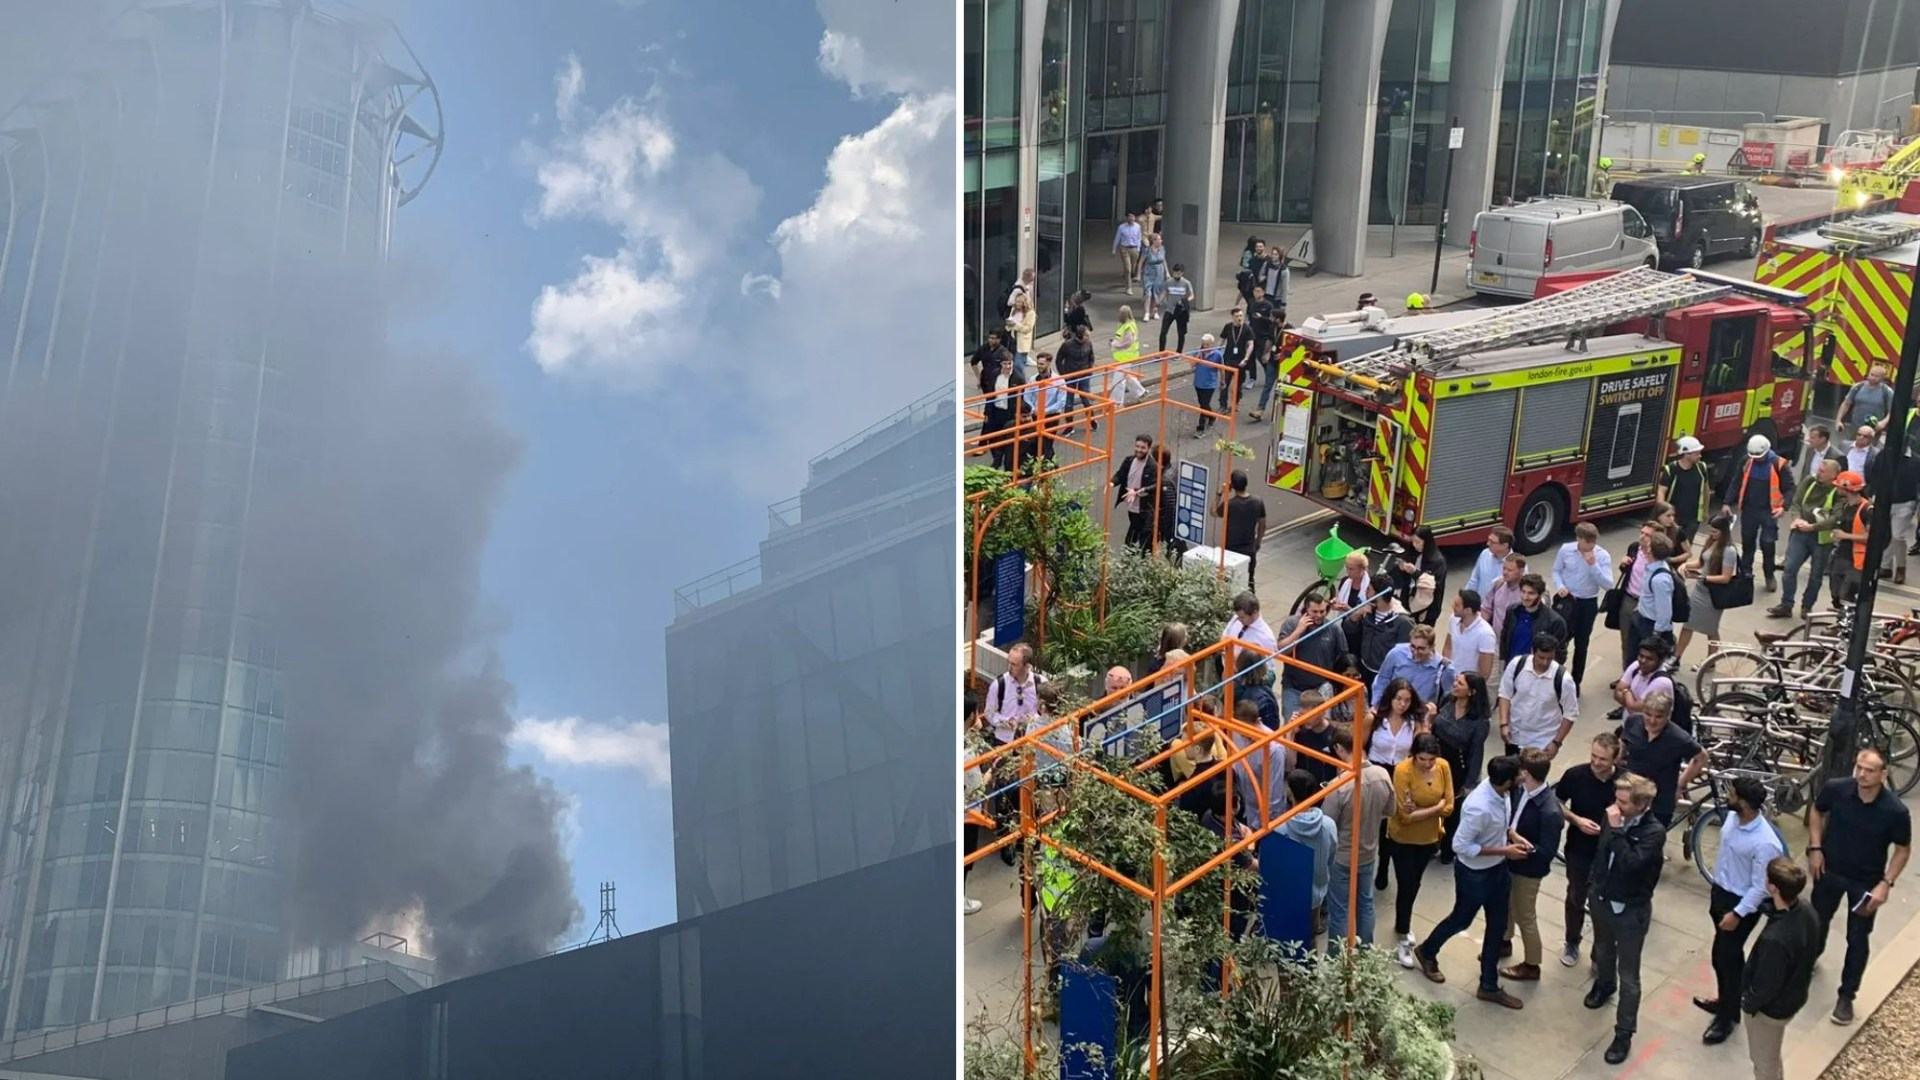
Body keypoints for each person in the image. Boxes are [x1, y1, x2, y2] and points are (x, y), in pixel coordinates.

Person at [1409, 754, 1528, 1010]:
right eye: (1518, 775)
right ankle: (1427, 951)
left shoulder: (1503, 794)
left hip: (1497, 870)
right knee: (1461, 919)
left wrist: (1511, 837)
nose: (1522, 778)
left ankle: (1489, 985)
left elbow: (1501, 826)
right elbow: (1461, 845)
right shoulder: (1479, 807)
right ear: (1506, 782)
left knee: (1497, 925)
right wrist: (1504, 851)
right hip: (1475, 875)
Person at [1808, 746, 1913, 1025]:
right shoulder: (1837, 789)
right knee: (1817, 920)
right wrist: (1815, 847)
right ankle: (1809, 961)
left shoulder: (1895, 811)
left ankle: (1847, 996)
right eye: (1859, 768)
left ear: (1883, 773)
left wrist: (1886, 883)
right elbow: (1817, 812)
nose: (1862, 775)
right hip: (1829, 870)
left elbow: (1903, 849)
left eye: (1870, 770)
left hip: (1865, 881)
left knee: (1857, 938)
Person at [1695, 775, 1786, 1045]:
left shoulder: (1765, 842)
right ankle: (1728, 999)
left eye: (1732, 794)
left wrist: (1737, 914)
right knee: (1728, 956)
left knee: (1724, 956)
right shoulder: (1734, 818)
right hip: (1722, 891)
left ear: (1744, 804)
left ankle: (1728, 1016)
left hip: (1740, 903)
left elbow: (1760, 887)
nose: (1727, 796)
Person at [1585, 772, 1667, 1065]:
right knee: (1603, 949)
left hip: (1631, 909)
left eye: (1622, 802)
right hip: (1602, 898)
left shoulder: (1654, 832)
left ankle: (1624, 1033)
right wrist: (1594, 887)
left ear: (1641, 804)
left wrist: (1619, 831)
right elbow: (1602, 852)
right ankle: (1604, 985)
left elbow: (1632, 863)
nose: (1615, 807)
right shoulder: (1613, 816)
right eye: (1616, 799)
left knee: (1629, 975)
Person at [1743, 858, 1820, 1080]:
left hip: (1770, 1012)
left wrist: (1748, 1002)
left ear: (1773, 887)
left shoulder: (1775, 940)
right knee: (1772, 1056)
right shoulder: (1805, 911)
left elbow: (1766, 985)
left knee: (1763, 1061)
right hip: (1794, 996)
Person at [1555, 732, 1625, 968]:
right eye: (1594, 756)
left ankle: (1599, 953)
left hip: (1611, 854)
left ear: (1615, 759)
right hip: (1579, 850)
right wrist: (1576, 820)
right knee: (1576, 897)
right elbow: (1556, 801)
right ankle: (1572, 941)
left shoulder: (1625, 783)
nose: (1596, 762)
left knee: (1603, 906)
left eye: (1603, 759)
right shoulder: (1576, 775)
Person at [1323, 723, 1394, 952]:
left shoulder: (1339, 786)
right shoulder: (1382, 775)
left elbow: (1327, 824)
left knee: (1340, 910)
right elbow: (1391, 810)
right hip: (1369, 851)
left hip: (1342, 855)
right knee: (1365, 903)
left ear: (1339, 749)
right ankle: (1365, 953)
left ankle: (1337, 957)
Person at [1386, 733, 1455, 969]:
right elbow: (1404, 817)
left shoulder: (1443, 767)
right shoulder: (1403, 771)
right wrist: (1435, 807)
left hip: (1429, 838)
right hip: (1403, 839)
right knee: (1406, 884)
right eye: (1423, 759)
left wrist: (1425, 810)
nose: (1427, 764)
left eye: (1431, 759)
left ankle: (1402, 922)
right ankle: (1403, 931)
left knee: (1415, 883)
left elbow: (1449, 806)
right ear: (1414, 755)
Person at [1499, 748, 1565, 982]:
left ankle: (1532, 963)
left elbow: (1546, 852)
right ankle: (1504, 941)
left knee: (1524, 915)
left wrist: (1519, 843)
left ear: (1525, 773)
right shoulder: (1520, 791)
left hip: (1528, 870)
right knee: (1506, 905)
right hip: (1510, 861)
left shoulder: (1549, 811)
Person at [1617, 690, 1706, 828]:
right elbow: (1623, 741)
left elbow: (1701, 757)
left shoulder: (1679, 738)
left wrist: (1681, 783)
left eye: (1659, 717)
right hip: (1630, 796)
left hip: (1660, 801)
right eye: (1648, 714)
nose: (1652, 721)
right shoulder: (1633, 722)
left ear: (1668, 716)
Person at [1770, 456, 1843, 619]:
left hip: (1821, 539)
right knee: (1789, 569)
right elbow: (1796, 502)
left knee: (1816, 575)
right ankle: (1786, 604)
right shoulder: (1809, 481)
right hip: (1800, 533)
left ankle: (1807, 606)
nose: (1819, 473)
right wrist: (1796, 518)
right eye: (1819, 470)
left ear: (1834, 475)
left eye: (1823, 472)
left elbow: (1836, 518)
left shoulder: (1838, 491)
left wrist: (1813, 527)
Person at [1431, 672, 1491, 864]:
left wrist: (1469, 783)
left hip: (1457, 766)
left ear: (1472, 692)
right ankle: (1431, 843)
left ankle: (1448, 848)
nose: (1454, 684)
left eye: (1460, 683)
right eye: (1456, 681)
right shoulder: (1448, 699)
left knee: (1452, 810)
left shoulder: (1479, 722)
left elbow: (1476, 752)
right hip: (1435, 759)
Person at [1721, 433, 1790, 590]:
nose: (1756, 459)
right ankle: (1746, 575)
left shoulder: (1779, 464)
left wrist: (1783, 507)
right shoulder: (1746, 461)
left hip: (1769, 511)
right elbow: (1736, 481)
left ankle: (1769, 575)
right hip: (1750, 509)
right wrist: (1727, 502)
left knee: (1768, 544)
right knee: (1748, 543)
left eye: (1759, 456)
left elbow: (1789, 488)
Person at [1280, 769, 1338, 941]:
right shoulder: (1328, 825)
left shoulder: (1281, 829)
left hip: (1290, 895)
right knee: (1309, 938)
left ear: (1290, 792)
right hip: (1316, 894)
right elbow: (1331, 857)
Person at [1498, 633, 1578, 757]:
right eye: (1541, 657)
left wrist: (1556, 743)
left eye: (1549, 659)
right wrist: (1503, 724)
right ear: (1532, 652)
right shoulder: (1517, 664)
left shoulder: (1563, 679)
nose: (1545, 662)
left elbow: (1570, 714)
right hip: (1515, 735)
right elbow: (1505, 694)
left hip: (1542, 741)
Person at [1675, 512, 1740, 664]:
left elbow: (1725, 577)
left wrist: (1702, 577)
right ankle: (1677, 656)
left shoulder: (1729, 551)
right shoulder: (1711, 542)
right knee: (1688, 623)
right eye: (1710, 530)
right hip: (1700, 591)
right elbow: (1701, 562)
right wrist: (1685, 565)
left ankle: (1711, 659)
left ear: (1724, 532)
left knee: (1711, 629)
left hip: (1713, 595)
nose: (1711, 534)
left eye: (1715, 532)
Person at [1552, 522, 1612, 683]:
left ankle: (1576, 681)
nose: (1591, 546)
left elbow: (1608, 584)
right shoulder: (1566, 550)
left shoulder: (1602, 556)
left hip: (1587, 603)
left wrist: (1593, 565)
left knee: (1581, 643)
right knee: (1559, 639)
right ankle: (1554, 676)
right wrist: (1560, 586)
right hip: (1567, 600)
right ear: (1578, 539)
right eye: (1587, 542)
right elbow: (1556, 570)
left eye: (1593, 542)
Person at [1275, 594, 1347, 720]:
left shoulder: (1333, 629)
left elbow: (1342, 657)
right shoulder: (1292, 623)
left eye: (1322, 611)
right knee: (1291, 725)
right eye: (1314, 611)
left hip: (1319, 689)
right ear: (1306, 609)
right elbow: (1281, 650)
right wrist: (1298, 631)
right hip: (1293, 687)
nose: (1319, 615)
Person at [1370, 623, 1452, 708]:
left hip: (1418, 714)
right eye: (1413, 646)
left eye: (1421, 648)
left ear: (1432, 647)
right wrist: (1377, 704)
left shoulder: (1443, 668)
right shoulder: (1396, 653)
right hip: (1393, 708)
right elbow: (1383, 678)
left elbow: (1449, 698)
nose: (1416, 652)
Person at [1215, 470, 1267, 592]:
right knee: (1249, 580)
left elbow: (1213, 511)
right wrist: (1258, 541)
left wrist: (1220, 493)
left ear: (1231, 485)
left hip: (1230, 550)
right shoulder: (1257, 502)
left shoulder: (1229, 504)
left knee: (1230, 582)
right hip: (1249, 549)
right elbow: (1262, 525)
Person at [1497, 573, 1567, 664]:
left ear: (1540, 595)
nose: (1525, 597)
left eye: (1531, 593)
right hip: (1511, 667)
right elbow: (1505, 637)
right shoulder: (1512, 611)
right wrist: (1503, 660)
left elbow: (1559, 655)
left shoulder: (1555, 621)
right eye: (1523, 592)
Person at [1877, 435, 1920, 584]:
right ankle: (1885, 566)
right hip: (1885, 500)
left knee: (1897, 535)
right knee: (1886, 533)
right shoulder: (1884, 456)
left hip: (1905, 502)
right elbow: (1875, 474)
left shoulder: (1915, 461)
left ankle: (1901, 567)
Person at [1629, 534, 1679, 660]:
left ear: (1650, 550)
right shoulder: (1652, 567)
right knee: (1632, 657)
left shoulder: (1660, 579)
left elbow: (1665, 612)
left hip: (1650, 626)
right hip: (1641, 617)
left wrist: (1655, 635)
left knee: (1645, 662)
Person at [1615, 521, 1658, 659]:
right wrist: (1623, 563)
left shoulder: (1657, 556)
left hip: (1647, 604)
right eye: (1642, 533)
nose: (1643, 537)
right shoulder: (1634, 548)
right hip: (1629, 599)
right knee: (1626, 641)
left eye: (1648, 535)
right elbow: (1627, 570)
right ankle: (1627, 674)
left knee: (1645, 644)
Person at [1612, 636, 1674, 729]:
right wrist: (1630, 701)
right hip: (1628, 727)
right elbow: (1617, 693)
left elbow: (1634, 707)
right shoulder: (1636, 666)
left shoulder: (1662, 682)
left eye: (1649, 659)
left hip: (1647, 732)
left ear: (1660, 661)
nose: (1643, 661)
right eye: (1641, 656)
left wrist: (1626, 692)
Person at [1391, 525, 1448, 626]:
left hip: (1426, 608)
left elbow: (1434, 585)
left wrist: (1415, 573)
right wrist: (1401, 568)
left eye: (1418, 542)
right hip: (1407, 602)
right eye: (1413, 541)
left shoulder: (1437, 561)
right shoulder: (1412, 552)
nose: (1415, 545)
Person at [1656, 436, 1711, 540]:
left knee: (1686, 544)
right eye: (1697, 453)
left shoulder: (1702, 467)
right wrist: (1663, 513)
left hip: (1693, 519)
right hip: (1674, 517)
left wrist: (1705, 511)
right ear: (1686, 454)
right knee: (1669, 544)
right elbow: (1661, 491)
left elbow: (1706, 490)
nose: (1700, 456)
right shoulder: (1671, 469)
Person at [1830, 470, 1872, 606]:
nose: (1836, 488)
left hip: (1857, 561)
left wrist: (1844, 536)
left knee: (1846, 596)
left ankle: (1848, 624)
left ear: (1846, 488)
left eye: (1838, 486)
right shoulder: (1846, 505)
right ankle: (1840, 622)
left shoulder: (1867, 509)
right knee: (1835, 594)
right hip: (1841, 555)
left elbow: (1870, 538)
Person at [1112, 435, 1159, 553]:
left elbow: (1154, 486)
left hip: (1144, 508)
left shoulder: (1152, 466)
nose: (1139, 450)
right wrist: (1112, 482)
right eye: (1137, 446)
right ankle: (1133, 552)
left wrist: (1137, 491)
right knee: (1135, 528)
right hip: (1132, 506)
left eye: (1143, 447)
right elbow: (1121, 474)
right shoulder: (1129, 460)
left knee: (1141, 535)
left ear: (1148, 449)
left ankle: (1138, 554)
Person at [1356, 591, 1414, 685]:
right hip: (1364, 669)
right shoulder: (1367, 612)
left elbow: (1406, 655)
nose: (1366, 592)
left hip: (1385, 676)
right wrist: (1355, 615)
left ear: (1379, 595)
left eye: (1369, 589)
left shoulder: (1403, 622)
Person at [1442, 589, 1498, 680]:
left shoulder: (1486, 634)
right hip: (1450, 676)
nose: (1453, 606)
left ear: (1468, 610)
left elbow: (1485, 671)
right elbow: (1448, 646)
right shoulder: (1453, 619)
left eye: (1457, 605)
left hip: (1467, 684)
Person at [1220, 591, 1278, 676]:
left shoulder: (1266, 638)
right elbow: (1226, 634)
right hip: (1227, 671)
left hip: (1245, 680)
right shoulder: (1237, 619)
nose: (1239, 620)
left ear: (1254, 613)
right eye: (1238, 616)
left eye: (1242, 617)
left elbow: (1268, 669)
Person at [1054, 325, 1097, 435]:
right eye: (1087, 335)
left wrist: (1089, 370)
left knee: (1086, 399)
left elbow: (1091, 357)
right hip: (1071, 375)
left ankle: (1092, 419)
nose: (1089, 337)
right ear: (1081, 336)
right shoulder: (1067, 345)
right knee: (1069, 402)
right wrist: (1064, 374)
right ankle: (1069, 426)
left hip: (1084, 375)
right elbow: (1058, 360)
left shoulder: (1088, 343)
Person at [1245, 285, 1277, 419]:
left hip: (1263, 336)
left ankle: (1266, 370)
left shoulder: (1268, 305)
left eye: (1258, 291)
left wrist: (1262, 317)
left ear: (1263, 292)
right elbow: (1248, 317)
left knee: (1261, 356)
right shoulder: (1251, 303)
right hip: (1253, 334)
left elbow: (1271, 322)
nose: (1256, 293)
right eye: (1254, 290)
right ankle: (1252, 378)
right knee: (1251, 356)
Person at [1836, 360, 1894, 431]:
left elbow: (1891, 412)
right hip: (1856, 428)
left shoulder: (1887, 391)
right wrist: (1838, 420)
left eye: (1877, 376)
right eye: (1872, 375)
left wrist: (1883, 423)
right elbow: (1846, 404)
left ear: (1882, 378)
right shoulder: (1857, 387)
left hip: (1873, 430)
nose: (1873, 378)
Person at [1218, 306, 1255, 411]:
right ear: (1232, 317)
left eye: (1241, 316)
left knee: (1238, 385)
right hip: (1228, 359)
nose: (1239, 318)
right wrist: (1217, 352)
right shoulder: (1228, 327)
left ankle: (1235, 404)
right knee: (1225, 383)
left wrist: (1246, 358)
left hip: (1240, 360)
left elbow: (1250, 344)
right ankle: (1223, 405)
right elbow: (1221, 340)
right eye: (1237, 316)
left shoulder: (1247, 328)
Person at [1464, 527, 1515, 600]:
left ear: (1505, 545)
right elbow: (1474, 579)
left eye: (1492, 542)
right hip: (1481, 607)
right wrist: (1465, 598)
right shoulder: (1485, 554)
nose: (1488, 544)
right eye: (1489, 540)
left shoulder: (1517, 564)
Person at [1486, 553, 1527, 640]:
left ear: (1521, 571)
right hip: (1496, 642)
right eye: (1504, 568)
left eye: (1510, 570)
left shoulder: (1527, 593)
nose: (1505, 572)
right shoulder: (1497, 585)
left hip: (1517, 642)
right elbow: (1486, 609)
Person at [1153, 446, 1182, 561]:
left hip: (1170, 523)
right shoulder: (1173, 470)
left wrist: (1163, 525)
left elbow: (1169, 506)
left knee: (1173, 546)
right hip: (1176, 519)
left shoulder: (1165, 479)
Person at [1191, 333, 1223, 435]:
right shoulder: (1198, 352)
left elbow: (1222, 369)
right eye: (1203, 344)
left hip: (1209, 384)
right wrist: (1198, 357)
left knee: (1204, 405)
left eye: (1207, 344)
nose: (1205, 347)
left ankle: (1201, 428)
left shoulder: (1217, 355)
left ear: (1211, 344)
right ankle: (1212, 416)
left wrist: (1223, 381)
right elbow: (1191, 366)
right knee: (1203, 404)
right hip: (1198, 383)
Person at [1159, 262, 1193, 351]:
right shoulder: (1169, 282)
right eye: (1175, 273)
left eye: (1178, 273)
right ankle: (1161, 351)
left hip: (1181, 311)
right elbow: (1164, 292)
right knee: (1163, 332)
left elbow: (1191, 295)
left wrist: (1185, 301)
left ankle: (1179, 352)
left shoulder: (1186, 283)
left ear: (1182, 273)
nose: (1176, 275)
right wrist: (1158, 303)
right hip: (1170, 310)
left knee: (1181, 333)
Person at [1140, 232, 1168, 321]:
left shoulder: (1162, 249)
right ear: (1153, 241)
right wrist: (1138, 273)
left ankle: (1155, 311)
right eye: (1159, 239)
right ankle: (1147, 312)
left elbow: (1164, 261)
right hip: (1149, 272)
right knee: (1148, 293)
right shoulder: (1147, 250)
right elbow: (1141, 261)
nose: (1161, 241)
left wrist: (1167, 272)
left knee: (1156, 293)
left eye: (1161, 239)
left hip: (1159, 272)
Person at [1113, 212, 1143, 291]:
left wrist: (1138, 248)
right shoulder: (1121, 227)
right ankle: (1128, 287)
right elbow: (1117, 238)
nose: (1131, 218)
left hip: (1134, 248)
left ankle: (1128, 276)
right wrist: (1114, 249)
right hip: (1124, 249)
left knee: (1133, 267)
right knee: (1128, 269)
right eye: (1129, 217)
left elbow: (1139, 238)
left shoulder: (1138, 226)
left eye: (1133, 217)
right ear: (1127, 218)